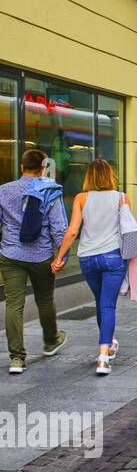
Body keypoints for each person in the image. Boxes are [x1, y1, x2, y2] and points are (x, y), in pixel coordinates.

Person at [51, 160, 130, 376]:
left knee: (101, 303)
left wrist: (60, 257)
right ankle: (103, 357)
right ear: (110, 175)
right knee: (107, 306)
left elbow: (72, 231)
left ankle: (110, 343)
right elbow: (127, 227)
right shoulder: (121, 198)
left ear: (89, 176)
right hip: (114, 257)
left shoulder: (81, 198)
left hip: (88, 258)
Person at [0, 149, 68, 375]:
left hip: (10, 255)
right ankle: (51, 341)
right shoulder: (50, 190)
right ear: (42, 169)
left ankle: (17, 358)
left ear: (21, 167)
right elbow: (59, 227)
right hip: (41, 256)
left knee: (13, 304)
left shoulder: (3, 191)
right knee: (45, 299)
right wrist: (62, 256)